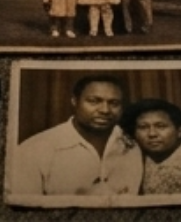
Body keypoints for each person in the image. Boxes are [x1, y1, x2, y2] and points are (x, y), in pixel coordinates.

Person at [8, 74, 141, 199]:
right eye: (94, 101)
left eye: (114, 103)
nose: (105, 110)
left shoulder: (134, 145)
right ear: (74, 101)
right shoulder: (33, 150)